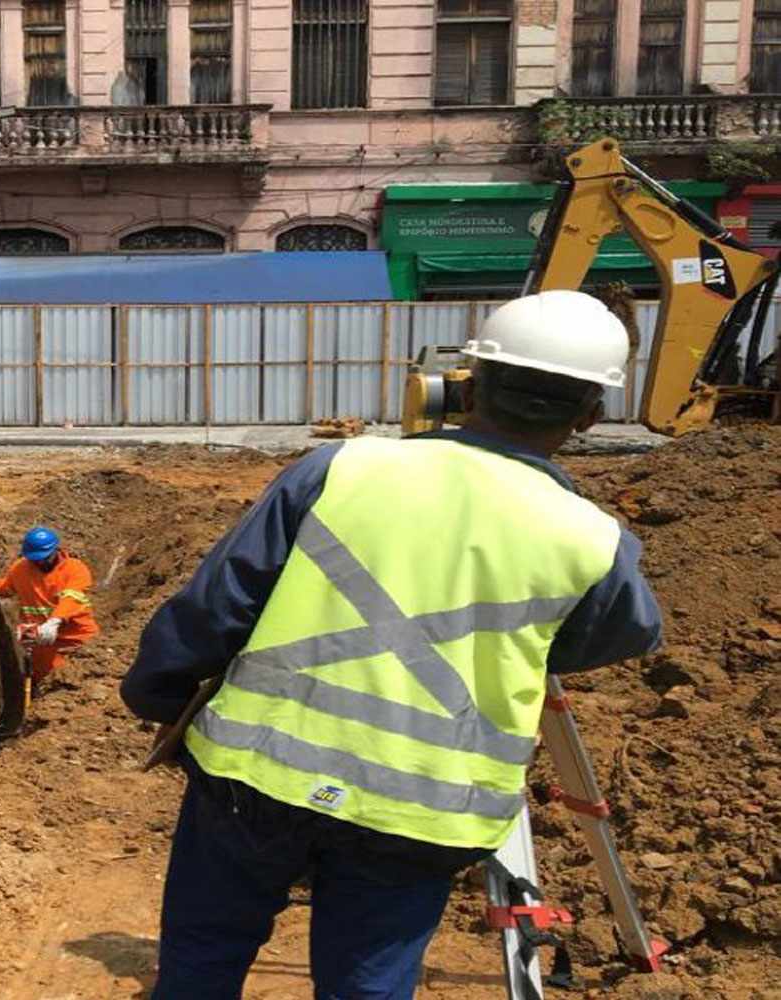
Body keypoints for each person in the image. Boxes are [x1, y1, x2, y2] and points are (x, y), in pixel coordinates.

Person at [120, 290, 663, 1000]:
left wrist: (156, 694)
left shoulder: (340, 468)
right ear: (592, 413)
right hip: (423, 809)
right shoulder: (593, 538)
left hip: (255, 780)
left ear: (467, 382)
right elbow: (620, 633)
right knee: (367, 986)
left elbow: (220, 603)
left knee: (200, 963)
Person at [0, 526, 100, 685]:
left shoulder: (75, 569)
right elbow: (7, 588)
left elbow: (72, 597)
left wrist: (54, 621)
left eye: (44, 557)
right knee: (47, 684)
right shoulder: (21, 568)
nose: (39, 562)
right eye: (35, 559)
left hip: (76, 636)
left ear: (56, 550)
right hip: (42, 640)